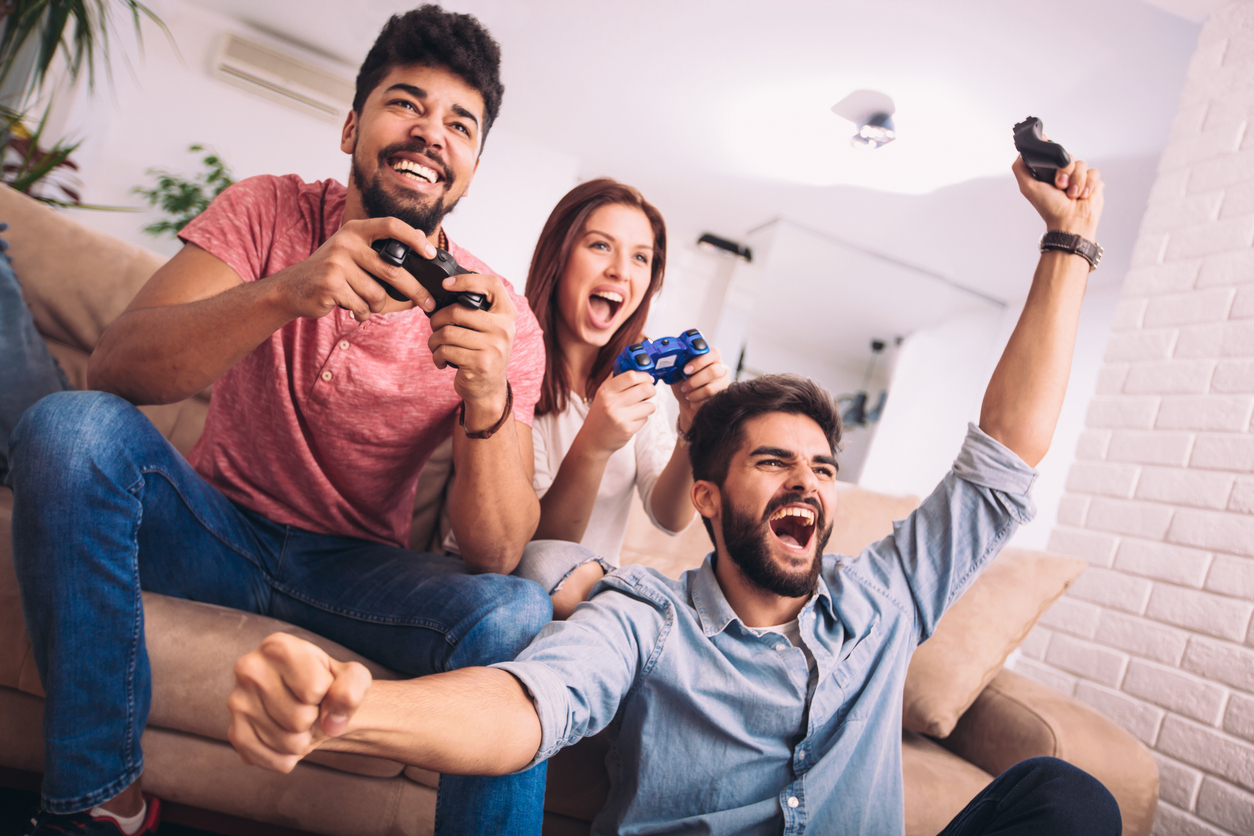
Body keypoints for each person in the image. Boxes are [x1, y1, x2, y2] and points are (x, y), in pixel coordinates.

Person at [226, 153, 1122, 834]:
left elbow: (1001, 457)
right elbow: (527, 702)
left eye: (821, 468)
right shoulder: (646, 617)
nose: (805, 481)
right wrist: (353, 711)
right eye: (773, 463)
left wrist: (1071, 244)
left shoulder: (883, 598)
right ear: (712, 499)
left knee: (1063, 793)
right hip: (502, 575)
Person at [10, 7, 555, 836]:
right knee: (68, 429)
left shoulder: (499, 317)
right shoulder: (269, 209)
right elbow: (114, 369)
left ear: (472, 169)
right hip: (213, 533)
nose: (430, 133)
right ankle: (102, 804)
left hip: (358, 576)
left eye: (460, 125)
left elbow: (497, 554)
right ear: (352, 127)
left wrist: (487, 395)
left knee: (518, 615)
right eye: (405, 104)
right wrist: (287, 290)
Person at [512, 179, 730, 618]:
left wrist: (694, 425)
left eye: (640, 257)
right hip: (528, 594)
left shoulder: (639, 378)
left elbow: (670, 517)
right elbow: (535, 552)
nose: (621, 271)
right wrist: (594, 444)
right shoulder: (514, 367)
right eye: (600, 246)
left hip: (592, 604)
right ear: (559, 255)